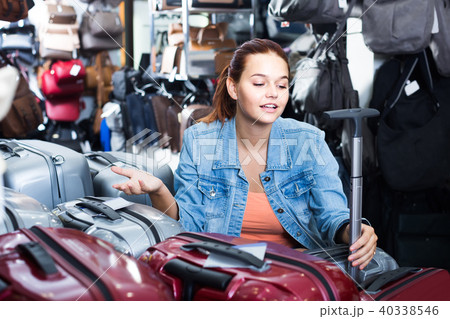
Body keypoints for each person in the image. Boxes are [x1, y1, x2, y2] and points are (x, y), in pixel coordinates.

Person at [111, 38, 378, 270]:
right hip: (225, 276)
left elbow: (332, 216)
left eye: (282, 85)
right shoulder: (200, 140)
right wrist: (159, 190)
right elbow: (189, 225)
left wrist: (353, 231)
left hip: (297, 275)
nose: (273, 93)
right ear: (233, 88)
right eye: (260, 83)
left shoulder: (309, 141)